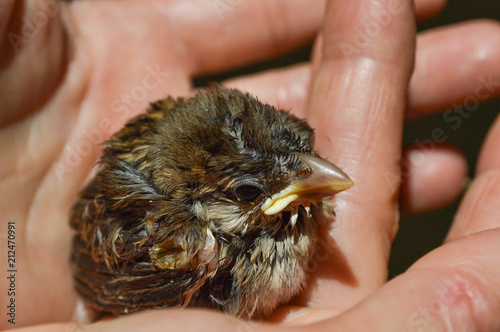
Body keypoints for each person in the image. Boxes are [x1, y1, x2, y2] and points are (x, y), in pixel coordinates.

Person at [1, 0, 500, 330]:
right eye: (244, 192)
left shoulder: (294, 199)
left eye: (304, 161)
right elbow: (100, 271)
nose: (316, 180)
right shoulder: (178, 239)